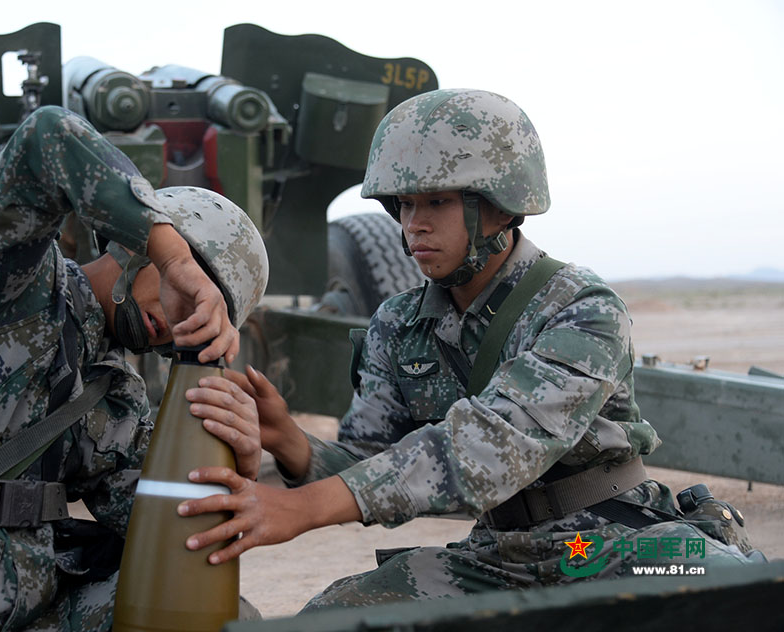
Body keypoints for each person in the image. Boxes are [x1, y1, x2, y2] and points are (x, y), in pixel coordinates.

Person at [177, 89, 763, 608]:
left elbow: (488, 448)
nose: (413, 225)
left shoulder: (581, 308)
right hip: (501, 554)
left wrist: (299, 510)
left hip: (616, 538)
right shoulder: (397, 324)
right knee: (336, 617)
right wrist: (289, 439)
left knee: (732, 601)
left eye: (436, 202)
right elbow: (379, 467)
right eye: (404, 206)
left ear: (501, 206)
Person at [0, 105, 268, 630]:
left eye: (206, 310)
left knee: (214, 619)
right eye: (194, 287)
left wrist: (233, 468)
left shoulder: (117, 396)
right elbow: (45, 137)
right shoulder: (8, 290)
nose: (183, 318)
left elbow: (170, 532)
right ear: (138, 247)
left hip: (34, 611)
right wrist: (176, 257)